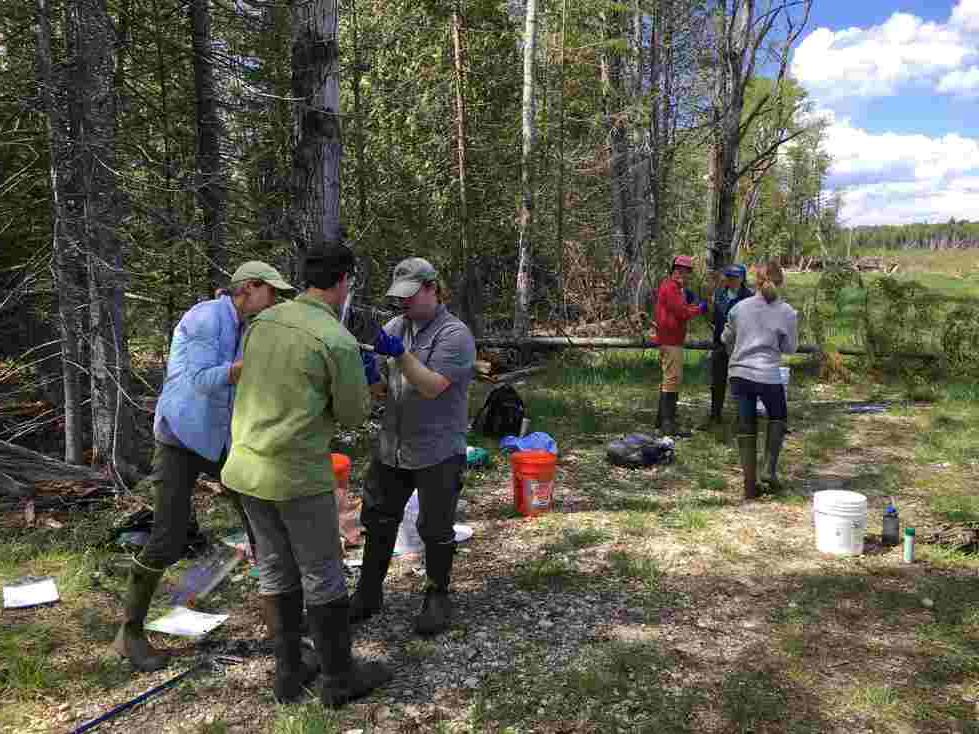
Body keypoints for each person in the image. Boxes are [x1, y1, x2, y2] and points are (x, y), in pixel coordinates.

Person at [221, 243, 391, 707]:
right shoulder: (334, 339)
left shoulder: (263, 323)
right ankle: (339, 679)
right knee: (322, 573)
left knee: (275, 568)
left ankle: (289, 671)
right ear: (343, 282)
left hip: (245, 468)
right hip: (294, 474)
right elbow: (355, 414)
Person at [112, 261, 295, 672]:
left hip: (220, 440)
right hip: (180, 436)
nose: (275, 301)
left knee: (260, 518)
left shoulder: (247, 326)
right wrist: (249, 367)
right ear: (249, 288)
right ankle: (131, 632)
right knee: (168, 536)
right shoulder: (205, 317)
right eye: (272, 292)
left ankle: (278, 621)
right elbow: (198, 379)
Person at [350, 257, 476, 637]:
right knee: (377, 517)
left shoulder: (454, 334)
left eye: (410, 295)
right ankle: (368, 592)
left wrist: (399, 355)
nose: (403, 303)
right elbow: (386, 390)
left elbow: (433, 386)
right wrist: (370, 376)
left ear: (432, 289)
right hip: (393, 446)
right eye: (399, 296)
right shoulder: (395, 327)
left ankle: (437, 594)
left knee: (435, 526)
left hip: (437, 447)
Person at [722, 261, 798, 499]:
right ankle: (769, 470)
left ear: (754, 281)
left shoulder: (738, 308)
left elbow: (726, 338)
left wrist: (738, 351)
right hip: (767, 374)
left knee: (746, 424)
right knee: (778, 416)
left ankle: (749, 485)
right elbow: (790, 348)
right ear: (781, 281)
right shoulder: (787, 312)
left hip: (740, 374)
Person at [654, 255, 708, 436]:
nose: (682, 275)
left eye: (686, 273)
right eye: (679, 271)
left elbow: (680, 308)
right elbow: (682, 313)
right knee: (672, 380)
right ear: (673, 270)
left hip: (671, 339)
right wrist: (700, 308)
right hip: (670, 340)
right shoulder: (670, 288)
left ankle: (662, 420)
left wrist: (687, 298)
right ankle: (668, 425)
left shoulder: (676, 288)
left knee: (669, 379)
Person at [704, 264, 753, 425]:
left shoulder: (749, 297)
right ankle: (715, 414)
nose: (732, 280)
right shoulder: (719, 294)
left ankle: (742, 416)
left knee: (740, 381)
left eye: (735, 277)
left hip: (740, 345)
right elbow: (713, 317)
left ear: (742, 278)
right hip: (719, 343)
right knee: (718, 381)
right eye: (729, 277)